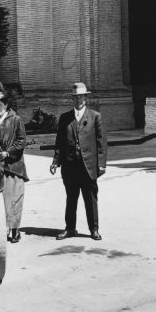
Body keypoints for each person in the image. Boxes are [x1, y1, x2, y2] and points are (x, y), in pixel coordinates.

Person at [50, 82, 106, 241]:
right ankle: (70, 228)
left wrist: (101, 164)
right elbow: (59, 142)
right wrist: (55, 161)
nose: (78, 100)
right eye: (75, 97)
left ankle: (94, 229)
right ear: (72, 99)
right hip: (70, 166)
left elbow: (102, 142)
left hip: (88, 166)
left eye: (81, 97)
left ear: (86, 98)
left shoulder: (95, 116)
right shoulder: (64, 118)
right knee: (71, 198)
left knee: (90, 199)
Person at [0, 88, 27, 243]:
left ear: (6, 105)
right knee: (4, 201)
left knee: (15, 199)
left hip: (14, 165)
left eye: (0, 104)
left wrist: (8, 152)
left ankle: (15, 230)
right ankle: (7, 228)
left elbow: (21, 141)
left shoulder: (16, 119)